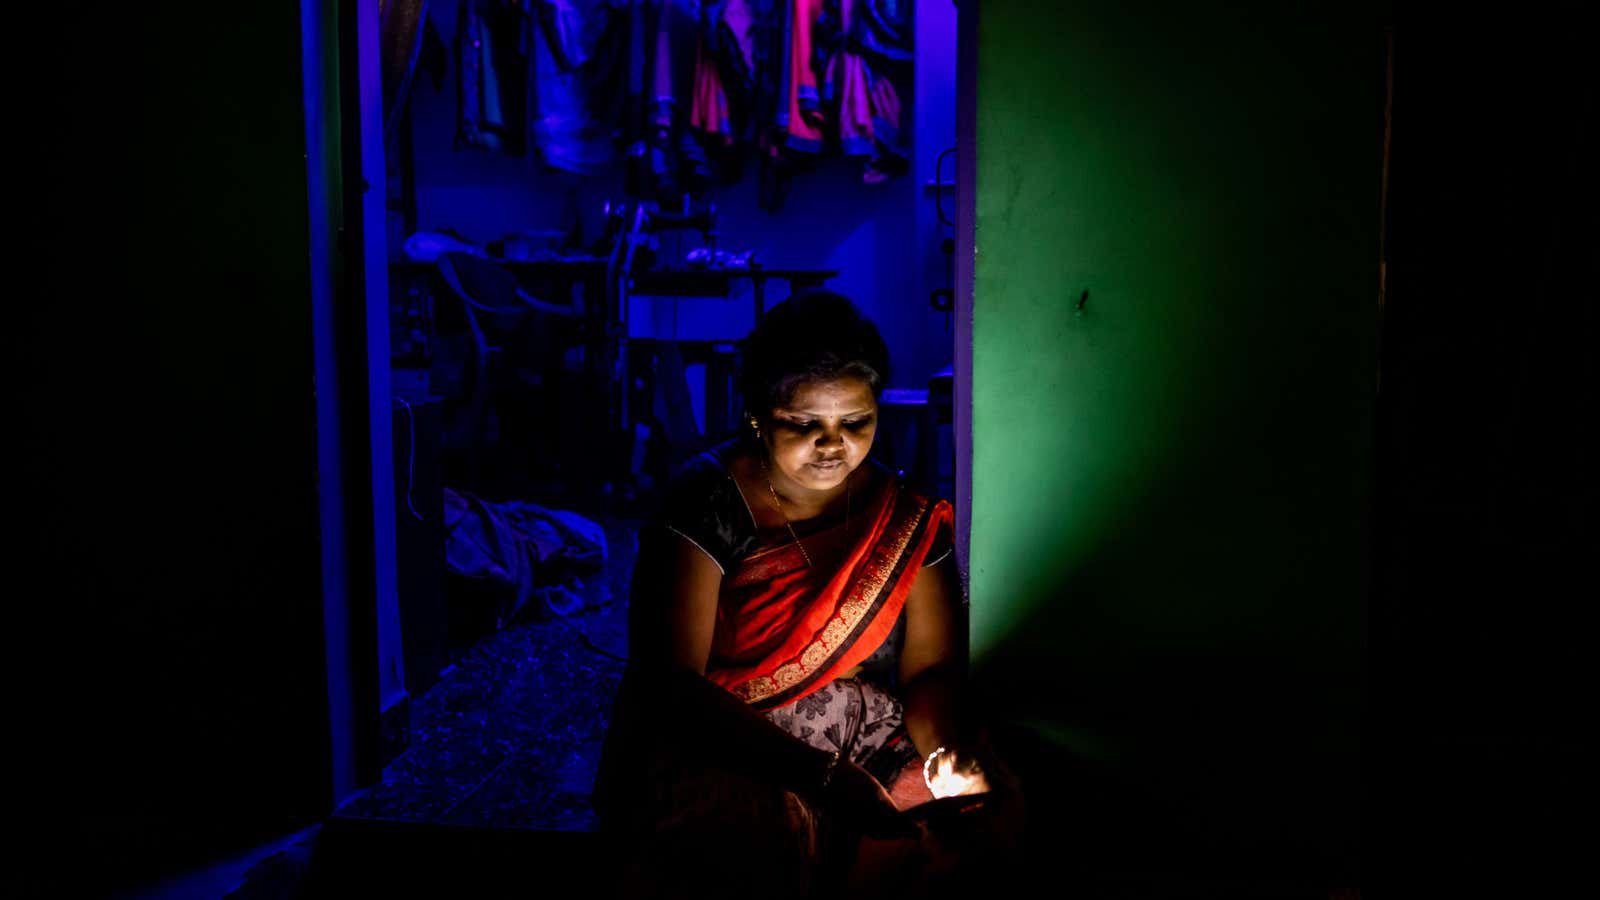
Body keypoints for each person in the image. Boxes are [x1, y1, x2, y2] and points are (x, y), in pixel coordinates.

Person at [594, 292, 1013, 898]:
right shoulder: (707, 503)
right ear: (758, 416)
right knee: (751, 836)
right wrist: (823, 778)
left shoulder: (901, 518)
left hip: (867, 736)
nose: (833, 444)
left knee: (978, 816)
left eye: (856, 423)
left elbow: (933, 670)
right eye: (803, 424)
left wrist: (946, 756)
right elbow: (672, 684)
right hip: (727, 737)